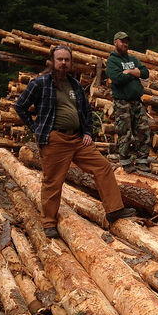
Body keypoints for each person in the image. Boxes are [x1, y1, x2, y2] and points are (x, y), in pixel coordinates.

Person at [14, 45, 136, 239]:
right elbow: (19, 106)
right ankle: (48, 222)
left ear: (71, 63)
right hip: (55, 140)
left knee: (103, 166)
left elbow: (87, 111)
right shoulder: (41, 83)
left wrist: (87, 131)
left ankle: (114, 210)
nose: (63, 63)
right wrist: (36, 128)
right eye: (60, 59)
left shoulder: (75, 85)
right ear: (52, 62)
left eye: (67, 60)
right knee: (53, 182)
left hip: (78, 139)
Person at [105, 31, 151, 173]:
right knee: (124, 132)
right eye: (122, 41)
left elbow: (145, 73)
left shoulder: (132, 58)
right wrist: (134, 73)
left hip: (136, 101)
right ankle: (125, 162)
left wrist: (129, 72)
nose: (125, 44)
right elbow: (117, 78)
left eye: (127, 41)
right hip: (122, 103)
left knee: (143, 129)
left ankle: (142, 161)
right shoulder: (112, 61)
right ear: (115, 42)